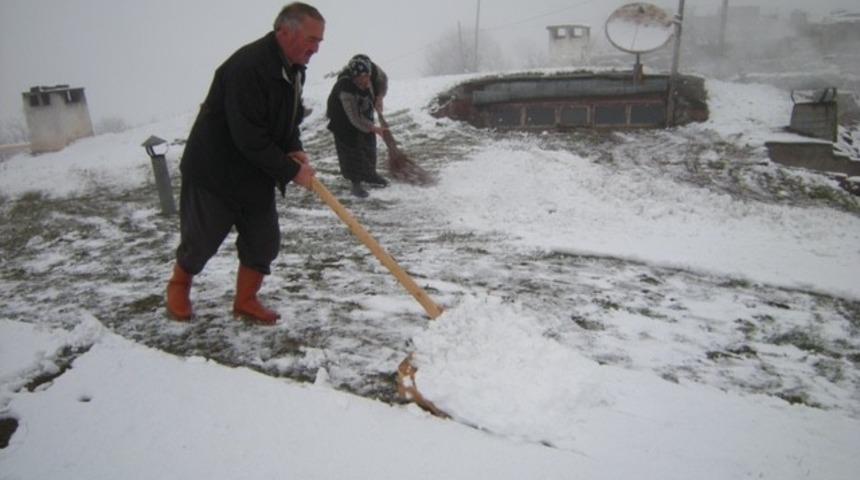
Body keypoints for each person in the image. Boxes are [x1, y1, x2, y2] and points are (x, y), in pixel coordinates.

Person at [165, 3, 325, 326]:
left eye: (320, 41)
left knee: (263, 240)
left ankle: (246, 300)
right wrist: (292, 172)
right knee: (201, 240)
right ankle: (179, 285)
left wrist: (294, 148)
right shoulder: (247, 68)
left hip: (255, 173)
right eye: (312, 39)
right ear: (284, 32)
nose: (316, 48)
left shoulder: (293, 71)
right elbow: (248, 137)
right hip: (216, 172)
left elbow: (288, 120)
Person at [326, 54, 389, 198]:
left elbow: (382, 83)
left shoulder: (373, 73)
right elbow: (354, 118)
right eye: (362, 80)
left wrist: (379, 97)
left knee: (369, 143)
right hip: (342, 120)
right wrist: (374, 128)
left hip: (362, 109)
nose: (366, 82)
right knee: (351, 148)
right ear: (354, 77)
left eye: (367, 77)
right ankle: (356, 183)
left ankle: (370, 175)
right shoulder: (345, 89)